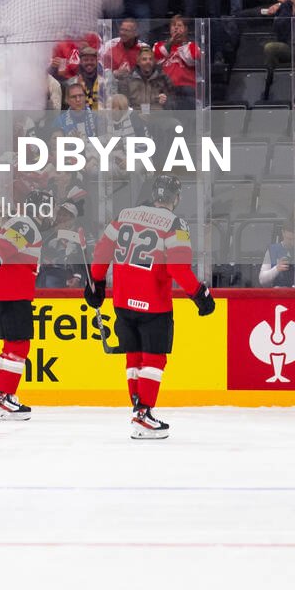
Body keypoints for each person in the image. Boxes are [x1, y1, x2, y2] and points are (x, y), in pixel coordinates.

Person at [86, 177, 216, 440]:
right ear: (175, 198)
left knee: (133, 357)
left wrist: (96, 284)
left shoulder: (124, 215)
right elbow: (178, 268)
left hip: (122, 303)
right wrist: (199, 295)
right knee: (154, 360)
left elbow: (101, 253)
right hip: (153, 304)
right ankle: (144, 414)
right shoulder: (174, 224)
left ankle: (137, 408)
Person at [0, 210, 44, 420]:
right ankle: (6, 397)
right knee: (19, 345)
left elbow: (3, 247)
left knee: (9, 346)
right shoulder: (26, 223)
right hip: (14, 292)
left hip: (7, 291)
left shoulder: (19, 222)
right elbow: (2, 248)